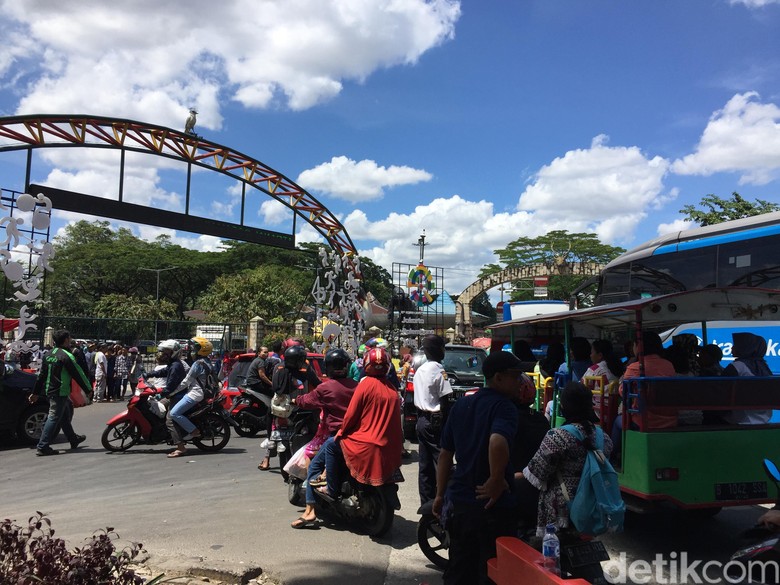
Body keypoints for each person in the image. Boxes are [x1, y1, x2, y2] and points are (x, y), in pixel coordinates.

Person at [433, 350, 522, 585]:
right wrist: (495, 479)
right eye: (515, 375)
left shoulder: (462, 405)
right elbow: (497, 440)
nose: (520, 381)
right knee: (492, 572)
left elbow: (445, 455)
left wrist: (440, 495)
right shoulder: (505, 407)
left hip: (460, 503)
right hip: (492, 507)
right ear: (498, 377)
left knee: (460, 569)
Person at [309, 347, 403, 516]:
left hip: (367, 442)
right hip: (391, 444)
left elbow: (351, 416)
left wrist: (341, 432)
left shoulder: (365, 385)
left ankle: (331, 489)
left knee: (331, 445)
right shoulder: (392, 390)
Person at [522, 381, 612, 536]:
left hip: (560, 511)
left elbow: (537, 474)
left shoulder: (556, 436)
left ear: (564, 407)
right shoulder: (603, 438)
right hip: (592, 506)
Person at [290, 348, 358, 529]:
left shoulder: (325, 388)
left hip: (337, 436)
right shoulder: (357, 386)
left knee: (314, 466)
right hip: (358, 436)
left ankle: (310, 511)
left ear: (328, 367)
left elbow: (307, 401)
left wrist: (295, 401)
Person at [611, 331, 675, 459]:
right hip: (670, 418)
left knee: (618, 421)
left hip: (643, 420)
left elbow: (623, 392)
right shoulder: (668, 365)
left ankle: (612, 457)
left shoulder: (635, 367)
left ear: (637, 346)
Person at [32, 329, 92, 456]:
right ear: (66, 340)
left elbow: (41, 375)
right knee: (53, 417)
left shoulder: (48, 354)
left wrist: (35, 392)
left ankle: (73, 439)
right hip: (60, 391)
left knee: (64, 416)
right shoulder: (66, 356)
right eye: (69, 338)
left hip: (49, 391)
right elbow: (78, 374)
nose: (70, 341)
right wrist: (88, 390)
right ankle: (43, 446)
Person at [413, 334, 454, 505]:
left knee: (425, 467)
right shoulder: (439, 370)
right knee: (444, 464)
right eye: (443, 347)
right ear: (437, 350)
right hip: (436, 422)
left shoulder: (420, 370)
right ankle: (446, 503)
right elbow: (445, 399)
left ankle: (426, 504)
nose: (444, 350)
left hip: (422, 421)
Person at [259, 344, 312, 471]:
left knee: (270, 417)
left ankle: (270, 440)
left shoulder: (278, 367)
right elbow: (315, 382)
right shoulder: (304, 370)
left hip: (279, 405)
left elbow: (275, 386)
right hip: (298, 405)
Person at [165, 337, 214, 458]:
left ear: (201, 351)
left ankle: (193, 431)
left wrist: (171, 392)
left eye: (195, 349)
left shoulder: (198, 364)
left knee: (174, 413)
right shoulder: (208, 362)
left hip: (195, 394)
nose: (192, 351)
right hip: (201, 393)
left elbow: (186, 382)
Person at [722, 332, 773, 425]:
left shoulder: (737, 366)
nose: (731, 348)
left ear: (744, 347)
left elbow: (720, 390)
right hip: (765, 418)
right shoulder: (765, 367)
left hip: (739, 418)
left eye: (735, 345)